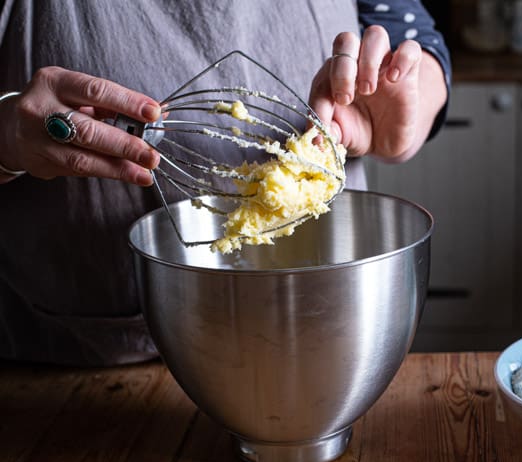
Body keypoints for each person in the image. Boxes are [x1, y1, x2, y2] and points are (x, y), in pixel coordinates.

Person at [0, 0, 450, 365]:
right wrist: (7, 135)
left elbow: (415, 35)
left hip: (320, 344)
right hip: (72, 376)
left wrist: (406, 102)